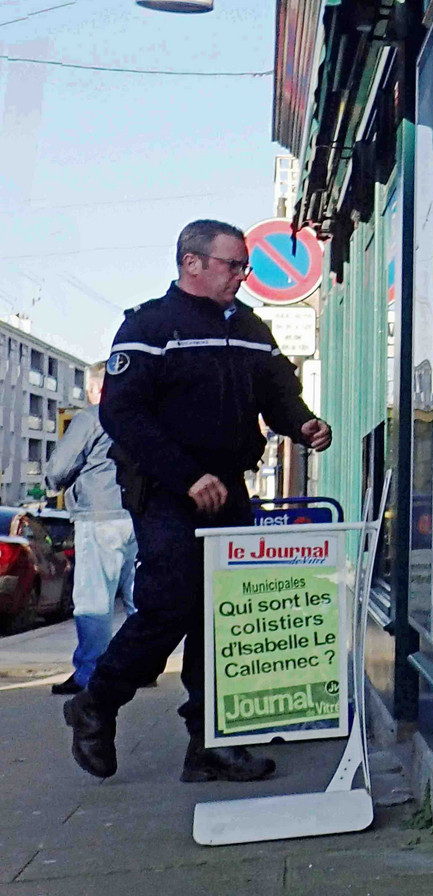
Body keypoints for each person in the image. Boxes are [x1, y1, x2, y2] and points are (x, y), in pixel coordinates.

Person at [63, 219, 331, 783]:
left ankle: (209, 743)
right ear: (192, 263)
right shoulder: (151, 326)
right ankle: (96, 702)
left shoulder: (249, 326)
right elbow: (123, 414)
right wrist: (187, 477)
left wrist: (302, 424)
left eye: (244, 266)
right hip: (166, 490)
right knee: (169, 605)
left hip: (229, 486)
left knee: (223, 616)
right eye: (233, 264)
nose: (242, 275)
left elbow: (278, 391)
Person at [45, 362, 139, 695]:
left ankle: (89, 674)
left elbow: (59, 468)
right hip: (140, 515)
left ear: (96, 389)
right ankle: (140, 667)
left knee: (93, 600)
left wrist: (53, 484)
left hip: (100, 516)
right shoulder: (141, 413)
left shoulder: (92, 417)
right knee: (137, 598)